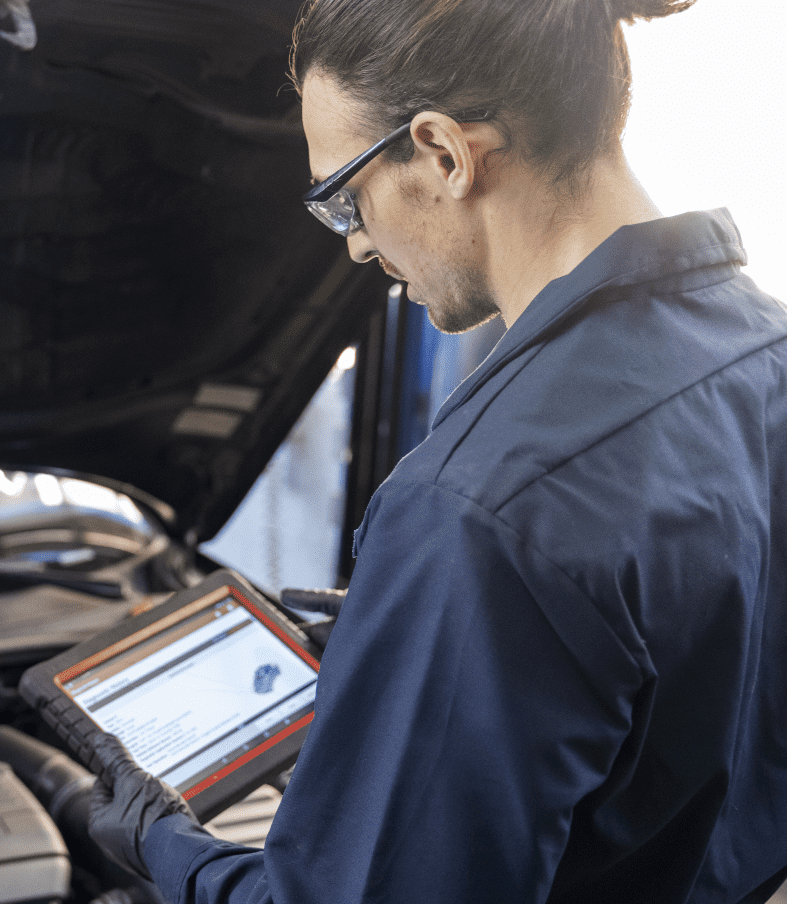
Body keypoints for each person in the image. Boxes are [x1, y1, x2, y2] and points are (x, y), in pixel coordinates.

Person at [84, 0, 787, 901]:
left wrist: (166, 850)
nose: (356, 245)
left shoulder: (476, 510)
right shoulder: (762, 349)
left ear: (445, 153)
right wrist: (425, 627)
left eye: (345, 196)